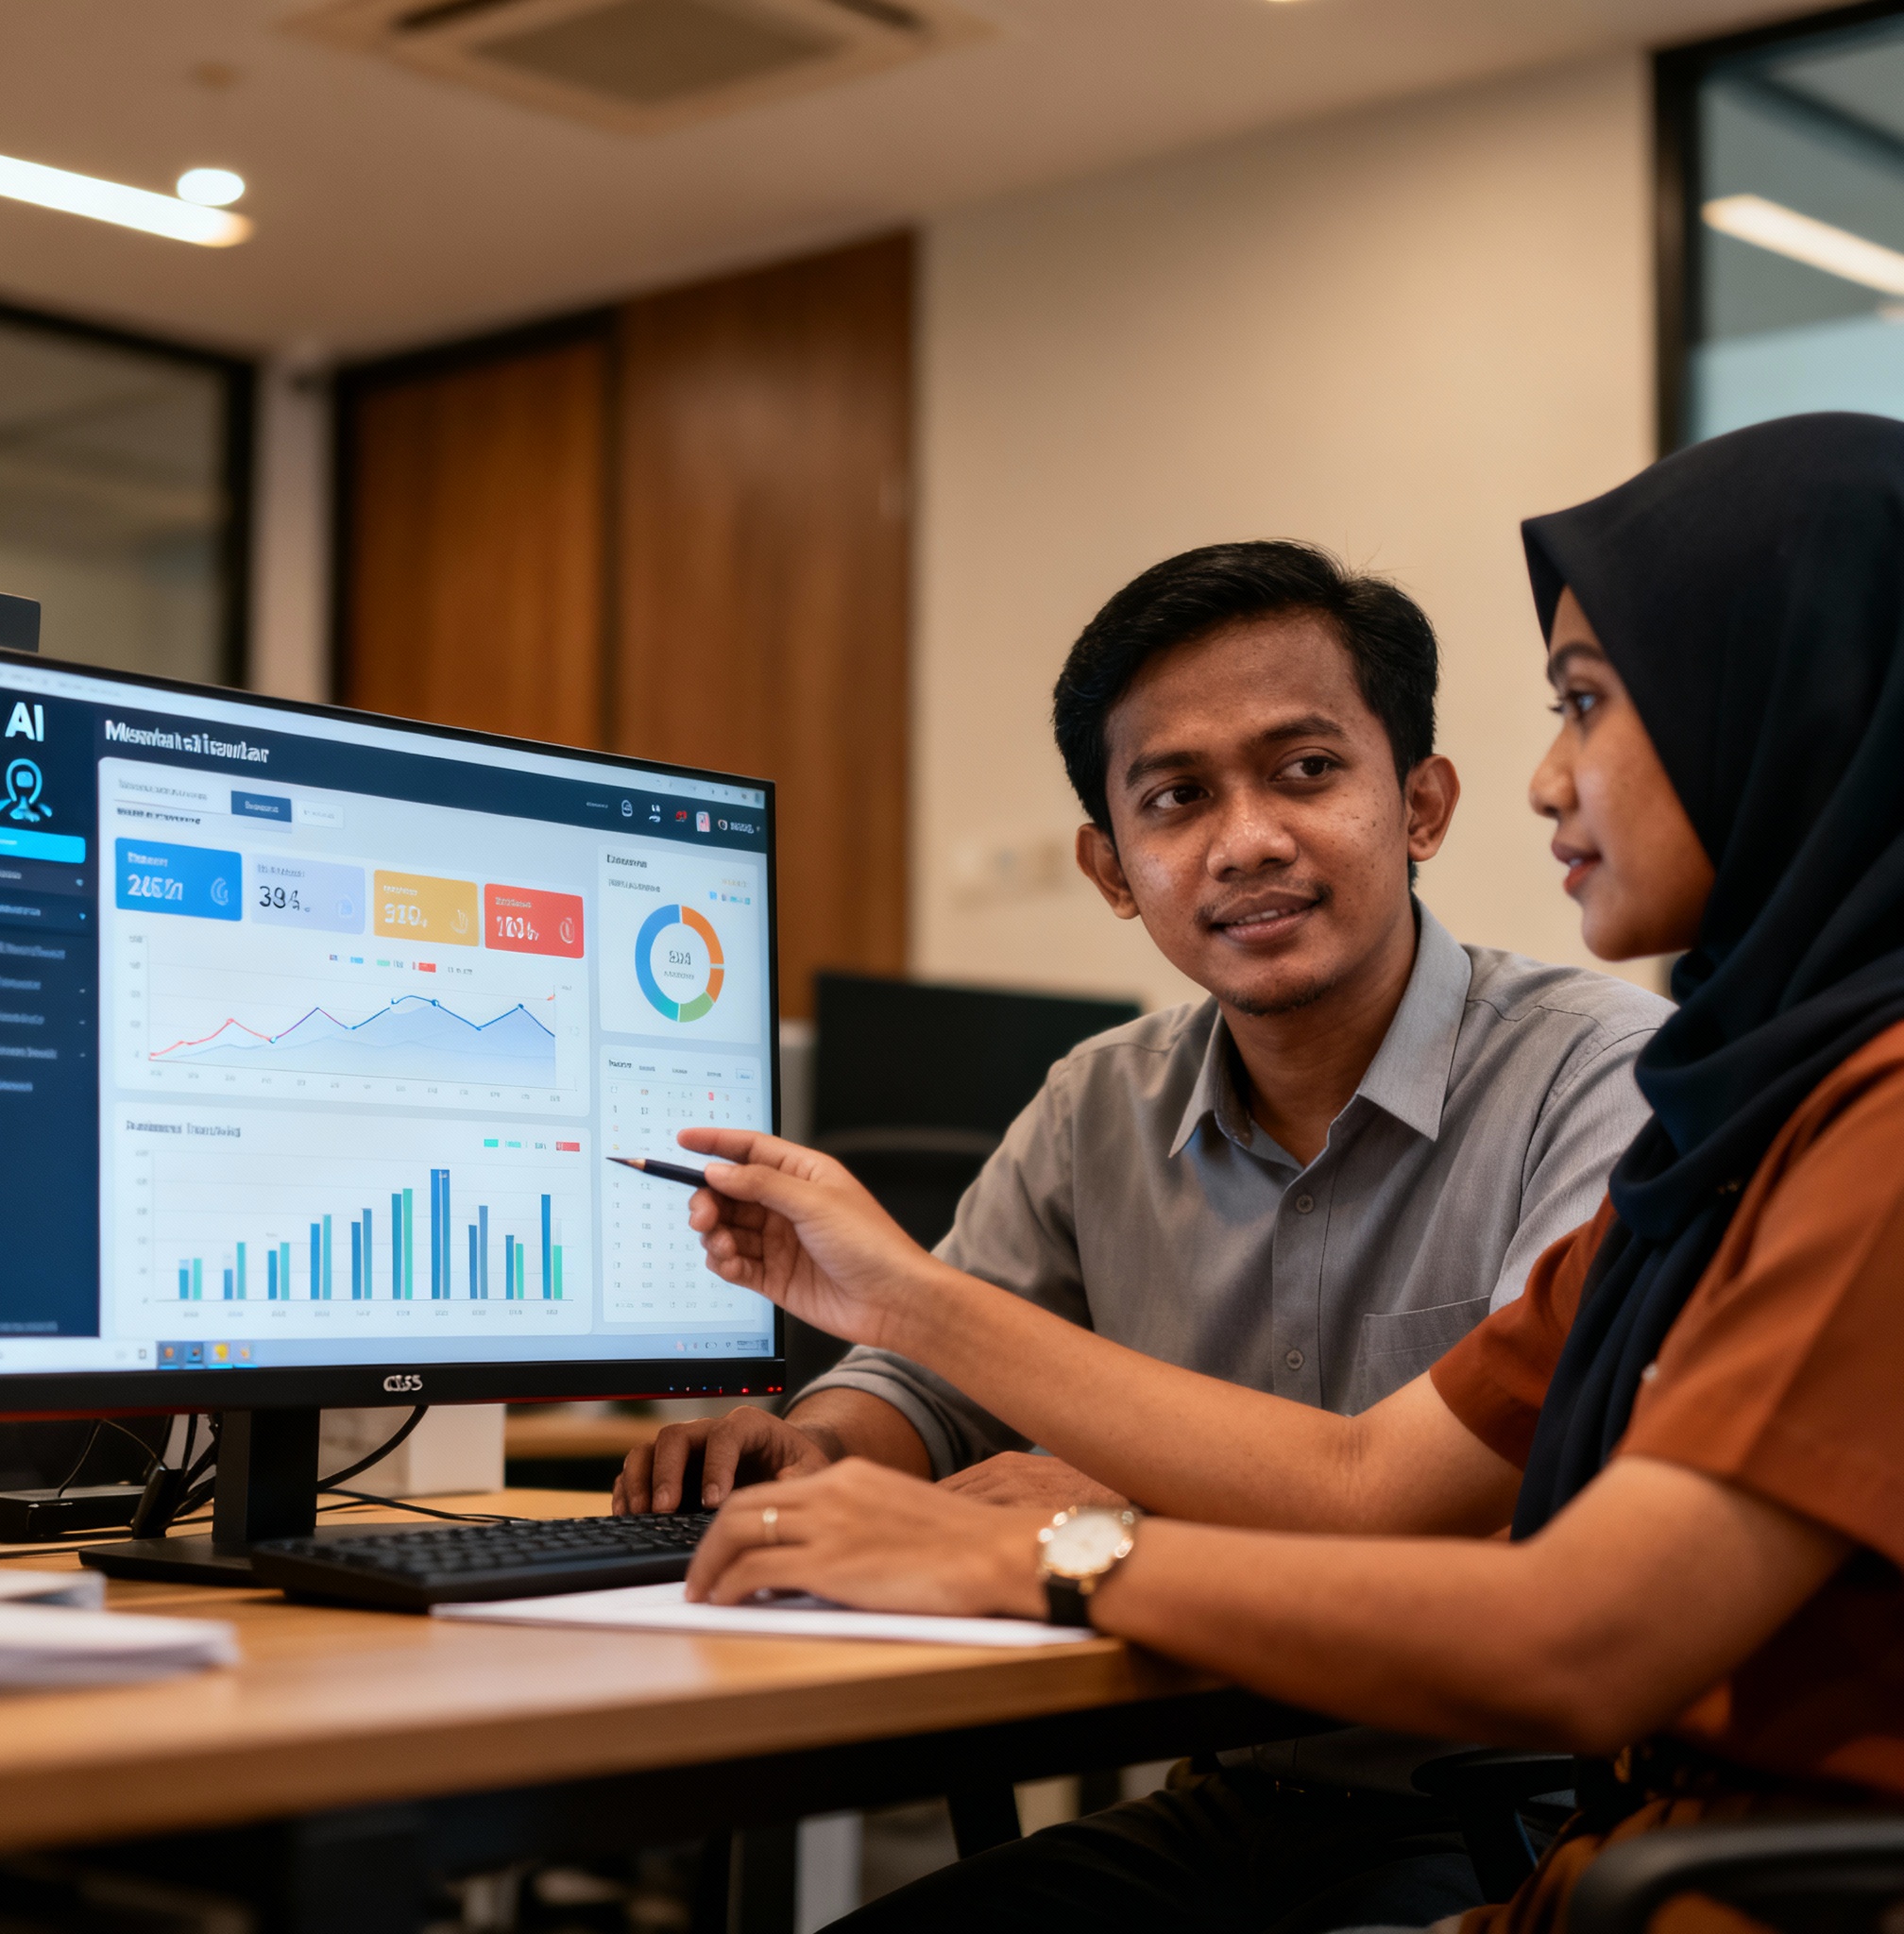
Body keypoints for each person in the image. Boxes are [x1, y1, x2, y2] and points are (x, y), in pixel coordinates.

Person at [669, 414, 1904, 1933]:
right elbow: (1372, 1485)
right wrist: (894, 1353)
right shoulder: (1749, 1117)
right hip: (1462, 1839)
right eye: (1177, 798)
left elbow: (1574, 1638)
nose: (1546, 778)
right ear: (1111, 864)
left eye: (1587, 703)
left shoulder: (1852, 1127)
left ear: (1792, 709)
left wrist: (1050, 1546)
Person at [617, 542, 1667, 1519]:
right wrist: (821, 1447)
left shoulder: (1604, 1076)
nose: (1246, 842)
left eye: (1305, 768)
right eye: (1176, 795)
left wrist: (1136, 1506)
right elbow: (926, 1388)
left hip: (1475, 1724)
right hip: (1124, 1720)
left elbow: (1519, 1493)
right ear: (1112, 871)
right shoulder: (1095, 1103)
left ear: (1420, 806)